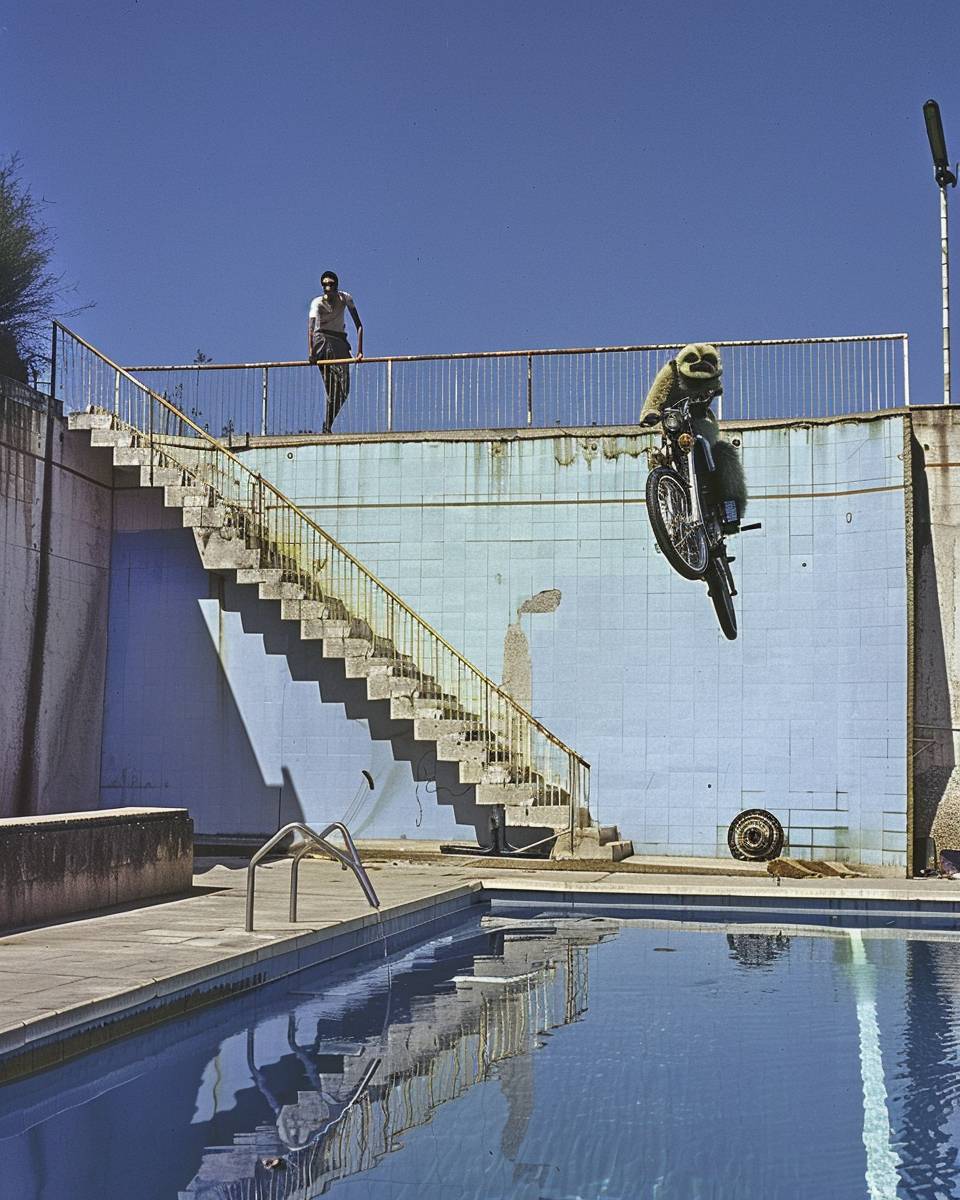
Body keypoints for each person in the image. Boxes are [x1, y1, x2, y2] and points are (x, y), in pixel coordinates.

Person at [307, 271, 364, 434]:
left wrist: (360, 351)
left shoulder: (345, 298)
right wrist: (311, 352)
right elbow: (311, 329)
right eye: (324, 285)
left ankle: (327, 425)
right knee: (332, 389)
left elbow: (359, 325)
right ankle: (326, 428)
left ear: (336, 285)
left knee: (344, 390)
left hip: (339, 341)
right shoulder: (317, 303)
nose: (327, 288)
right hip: (322, 341)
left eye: (331, 284)